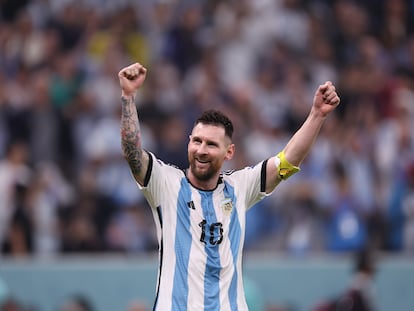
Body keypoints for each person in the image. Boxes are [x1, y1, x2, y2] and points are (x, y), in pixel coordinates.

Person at [118, 62, 340, 311]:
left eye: (211, 144)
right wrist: (128, 97)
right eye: (197, 141)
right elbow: (132, 153)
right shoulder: (165, 183)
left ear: (229, 152)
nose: (201, 150)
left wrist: (317, 115)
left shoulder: (240, 186)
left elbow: (288, 160)